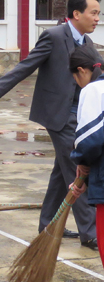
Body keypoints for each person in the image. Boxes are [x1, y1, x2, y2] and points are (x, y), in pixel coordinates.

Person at [0, 0, 101, 250]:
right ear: (76, 14)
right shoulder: (53, 36)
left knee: (60, 172)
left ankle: (48, 225)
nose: (98, 18)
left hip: (81, 114)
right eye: (94, 13)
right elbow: (26, 65)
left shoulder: (88, 43)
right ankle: (90, 233)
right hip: (59, 115)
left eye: (99, 13)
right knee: (80, 170)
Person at [69, 45, 104, 264]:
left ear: (82, 71)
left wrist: (80, 162)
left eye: (75, 77)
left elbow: (90, 140)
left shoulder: (94, 90)